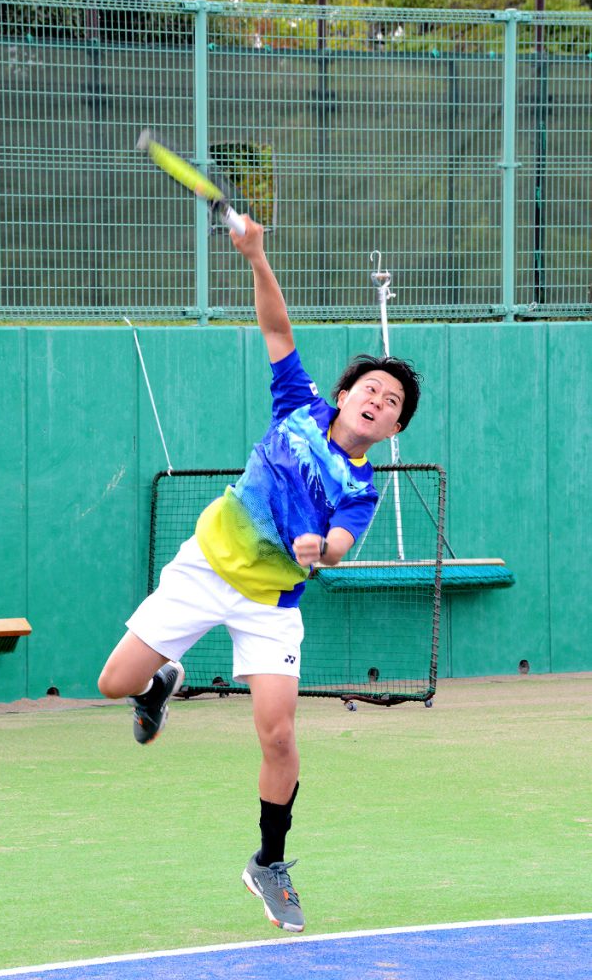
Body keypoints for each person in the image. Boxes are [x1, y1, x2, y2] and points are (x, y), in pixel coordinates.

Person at [98, 215, 422, 933]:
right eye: (370, 387)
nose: (377, 398)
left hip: (269, 604)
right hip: (202, 568)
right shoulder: (297, 406)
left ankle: (267, 862)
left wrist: (321, 551)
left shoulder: (363, 488)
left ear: (394, 429)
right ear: (343, 396)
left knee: (278, 736)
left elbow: (339, 544)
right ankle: (157, 685)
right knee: (113, 683)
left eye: (392, 401)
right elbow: (277, 328)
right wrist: (256, 255)